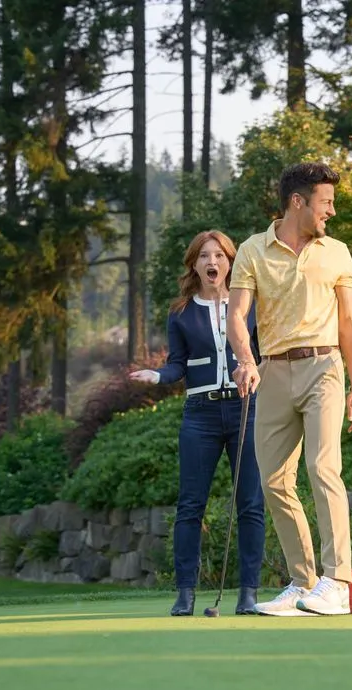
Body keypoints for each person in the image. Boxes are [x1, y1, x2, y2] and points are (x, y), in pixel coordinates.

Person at [227, 162, 352, 617]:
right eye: (326, 202)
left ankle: (338, 582)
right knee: (273, 480)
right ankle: (304, 581)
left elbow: (349, 322)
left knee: (323, 468)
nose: (332, 211)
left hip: (324, 367)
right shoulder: (252, 250)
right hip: (272, 371)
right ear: (297, 202)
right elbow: (236, 316)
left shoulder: (337, 252)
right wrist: (246, 361)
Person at [129, 230, 265, 617]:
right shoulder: (182, 312)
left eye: (220, 256)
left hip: (246, 411)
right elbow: (177, 363)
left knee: (251, 504)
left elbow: (263, 353)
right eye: (204, 256)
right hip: (200, 415)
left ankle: (248, 594)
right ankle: (185, 593)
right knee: (191, 506)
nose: (212, 262)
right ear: (194, 264)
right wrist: (156, 376)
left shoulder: (252, 305)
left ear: (230, 262)